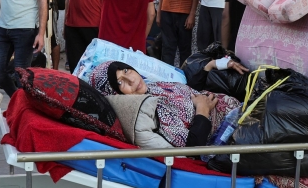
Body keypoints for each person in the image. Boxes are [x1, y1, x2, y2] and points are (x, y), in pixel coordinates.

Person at [89, 60, 244, 147]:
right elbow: (193, 146)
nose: (132, 80)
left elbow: (186, 92)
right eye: (121, 82)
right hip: (238, 129)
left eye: (126, 71)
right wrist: (203, 110)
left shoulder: (153, 87)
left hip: (239, 110)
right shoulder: (152, 111)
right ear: (115, 94)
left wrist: (211, 65)